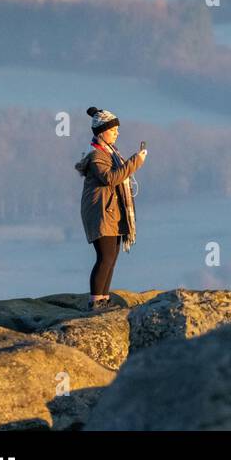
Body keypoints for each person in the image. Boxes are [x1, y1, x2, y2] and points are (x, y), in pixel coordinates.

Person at [75, 107, 147, 311]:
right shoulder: (98, 156)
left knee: (111, 258)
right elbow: (111, 178)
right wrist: (136, 162)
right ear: (101, 132)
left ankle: (103, 299)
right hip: (101, 214)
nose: (117, 133)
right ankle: (96, 301)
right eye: (113, 129)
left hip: (111, 214)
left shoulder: (111, 153)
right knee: (105, 257)